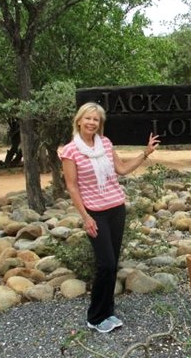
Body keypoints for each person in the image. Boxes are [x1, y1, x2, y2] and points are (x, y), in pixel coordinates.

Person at [61, 102, 160, 333]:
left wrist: (145, 153)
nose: (92, 123)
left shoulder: (105, 144)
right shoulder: (70, 150)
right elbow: (72, 187)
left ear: (100, 124)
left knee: (112, 263)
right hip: (95, 213)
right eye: (88, 118)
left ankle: (108, 312)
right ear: (79, 120)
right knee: (104, 264)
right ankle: (95, 317)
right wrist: (86, 218)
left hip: (116, 209)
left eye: (96, 120)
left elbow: (122, 169)